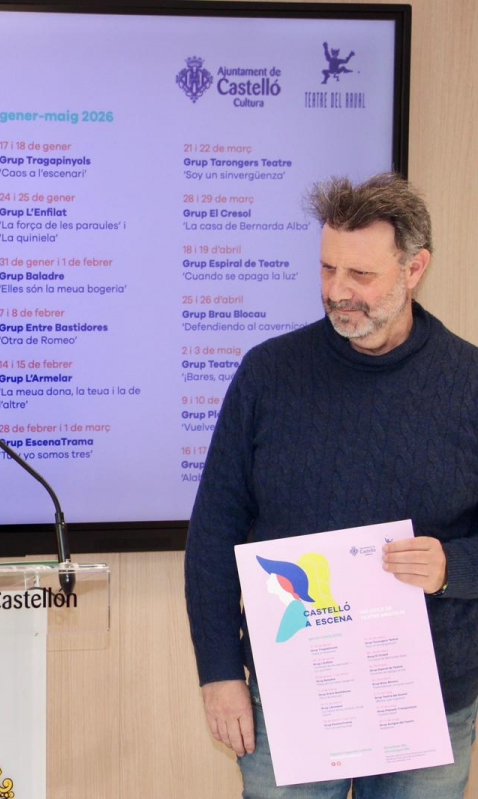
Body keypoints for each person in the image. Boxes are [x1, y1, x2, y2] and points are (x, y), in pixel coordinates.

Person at [185, 172, 478, 797]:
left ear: (415, 269)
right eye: (327, 269)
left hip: (428, 705)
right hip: (290, 696)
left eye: (361, 275)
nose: (337, 291)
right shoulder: (268, 374)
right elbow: (212, 534)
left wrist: (453, 567)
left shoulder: (469, 383)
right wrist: (219, 672)